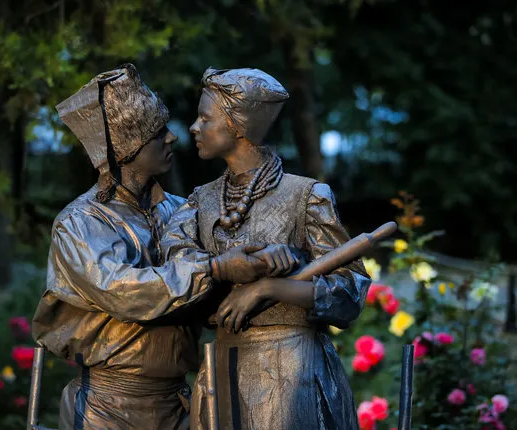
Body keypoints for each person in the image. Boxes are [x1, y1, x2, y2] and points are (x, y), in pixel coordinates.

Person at [31, 64, 296, 430]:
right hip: (107, 411)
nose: (172, 139)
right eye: (158, 134)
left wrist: (264, 272)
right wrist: (216, 269)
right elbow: (124, 291)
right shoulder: (80, 223)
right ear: (127, 150)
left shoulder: (180, 209)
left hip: (181, 406)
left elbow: (210, 298)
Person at [161, 67, 371, 429]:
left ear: (237, 126)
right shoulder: (198, 202)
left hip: (296, 375)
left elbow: (349, 293)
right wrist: (228, 268)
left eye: (205, 118)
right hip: (222, 373)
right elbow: (174, 275)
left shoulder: (307, 197)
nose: (194, 127)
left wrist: (270, 287)